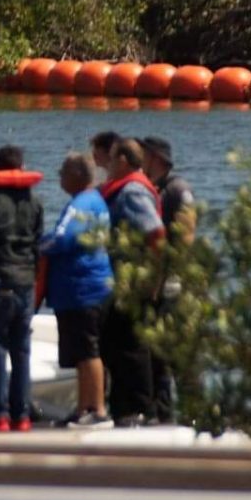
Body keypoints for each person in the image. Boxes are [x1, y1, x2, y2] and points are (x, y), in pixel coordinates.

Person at [0, 145, 44, 432]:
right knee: (22, 351)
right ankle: (22, 415)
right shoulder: (35, 201)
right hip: (25, 280)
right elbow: (38, 246)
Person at [43, 153, 114, 430]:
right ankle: (84, 406)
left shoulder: (82, 203)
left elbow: (63, 237)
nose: (59, 176)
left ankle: (97, 408)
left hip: (84, 288)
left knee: (89, 351)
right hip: (84, 287)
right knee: (82, 354)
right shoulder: (95, 200)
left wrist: (37, 246)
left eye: (63, 171)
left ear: (77, 175)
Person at [98, 138, 164, 426]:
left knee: (131, 346)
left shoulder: (132, 191)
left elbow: (155, 233)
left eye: (112, 158)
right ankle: (123, 407)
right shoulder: (124, 189)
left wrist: (150, 279)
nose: (108, 165)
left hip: (132, 280)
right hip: (119, 279)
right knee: (115, 344)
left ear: (124, 160)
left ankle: (139, 409)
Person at [140, 135, 197, 423]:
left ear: (156, 158)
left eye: (144, 154)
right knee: (156, 357)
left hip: (173, 285)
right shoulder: (153, 189)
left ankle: (198, 418)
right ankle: (163, 417)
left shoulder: (177, 189)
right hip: (156, 285)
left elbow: (186, 236)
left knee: (178, 356)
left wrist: (173, 276)